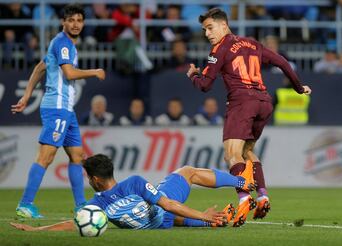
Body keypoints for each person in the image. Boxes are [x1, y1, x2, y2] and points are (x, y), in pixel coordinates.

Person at [186, 8, 311, 226]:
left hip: (242, 102)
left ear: (223, 25)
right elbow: (282, 62)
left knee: (231, 155)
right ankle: (262, 196)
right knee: (247, 151)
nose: (207, 33)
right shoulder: (252, 44)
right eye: (204, 29)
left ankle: (244, 199)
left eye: (210, 28)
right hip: (264, 102)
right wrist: (299, 88)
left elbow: (205, 85)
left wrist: (194, 75)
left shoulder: (219, 48)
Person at [11, 4, 106, 218]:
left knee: (77, 155)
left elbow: (39, 68)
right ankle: (25, 204)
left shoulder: (61, 43)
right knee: (46, 156)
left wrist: (26, 96)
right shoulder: (63, 43)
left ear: (83, 23)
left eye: (79, 20)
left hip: (66, 110)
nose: (75, 24)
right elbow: (70, 74)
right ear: (63, 22)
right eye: (71, 20)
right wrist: (95, 72)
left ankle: (81, 205)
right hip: (57, 108)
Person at [10, 153, 255, 231]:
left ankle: (209, 223)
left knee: (162, 211)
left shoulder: (98, 204)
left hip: (159, 224)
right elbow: (168, 204)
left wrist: (37, 229)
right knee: (187, 172)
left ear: (95, 180)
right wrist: (203, 214)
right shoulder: (134, 183)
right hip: (163, 212)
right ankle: (241, 182)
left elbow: (74, 224)